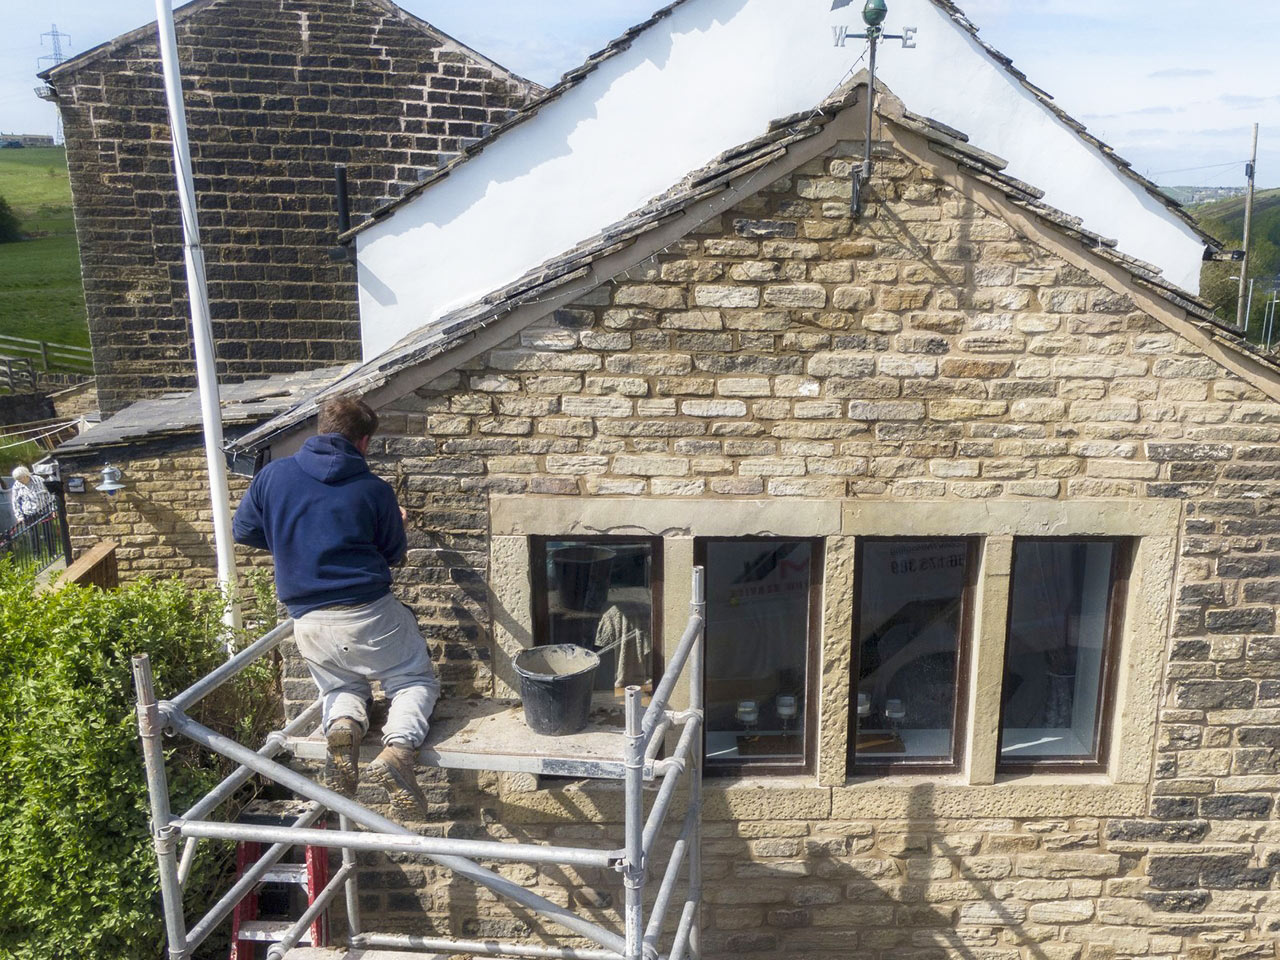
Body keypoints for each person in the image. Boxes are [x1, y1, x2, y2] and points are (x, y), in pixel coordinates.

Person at [233, 395, 439, 819]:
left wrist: (293, 543)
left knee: (340, 687)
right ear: (363, 442)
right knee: (412, 680)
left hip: (308, 621)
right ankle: (399, 751)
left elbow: (244, 530)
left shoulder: (272, 476)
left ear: (321, 429)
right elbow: (392, 554)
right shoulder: (374, 490)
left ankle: (344, 728)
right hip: (369, 613)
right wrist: (396, 522)